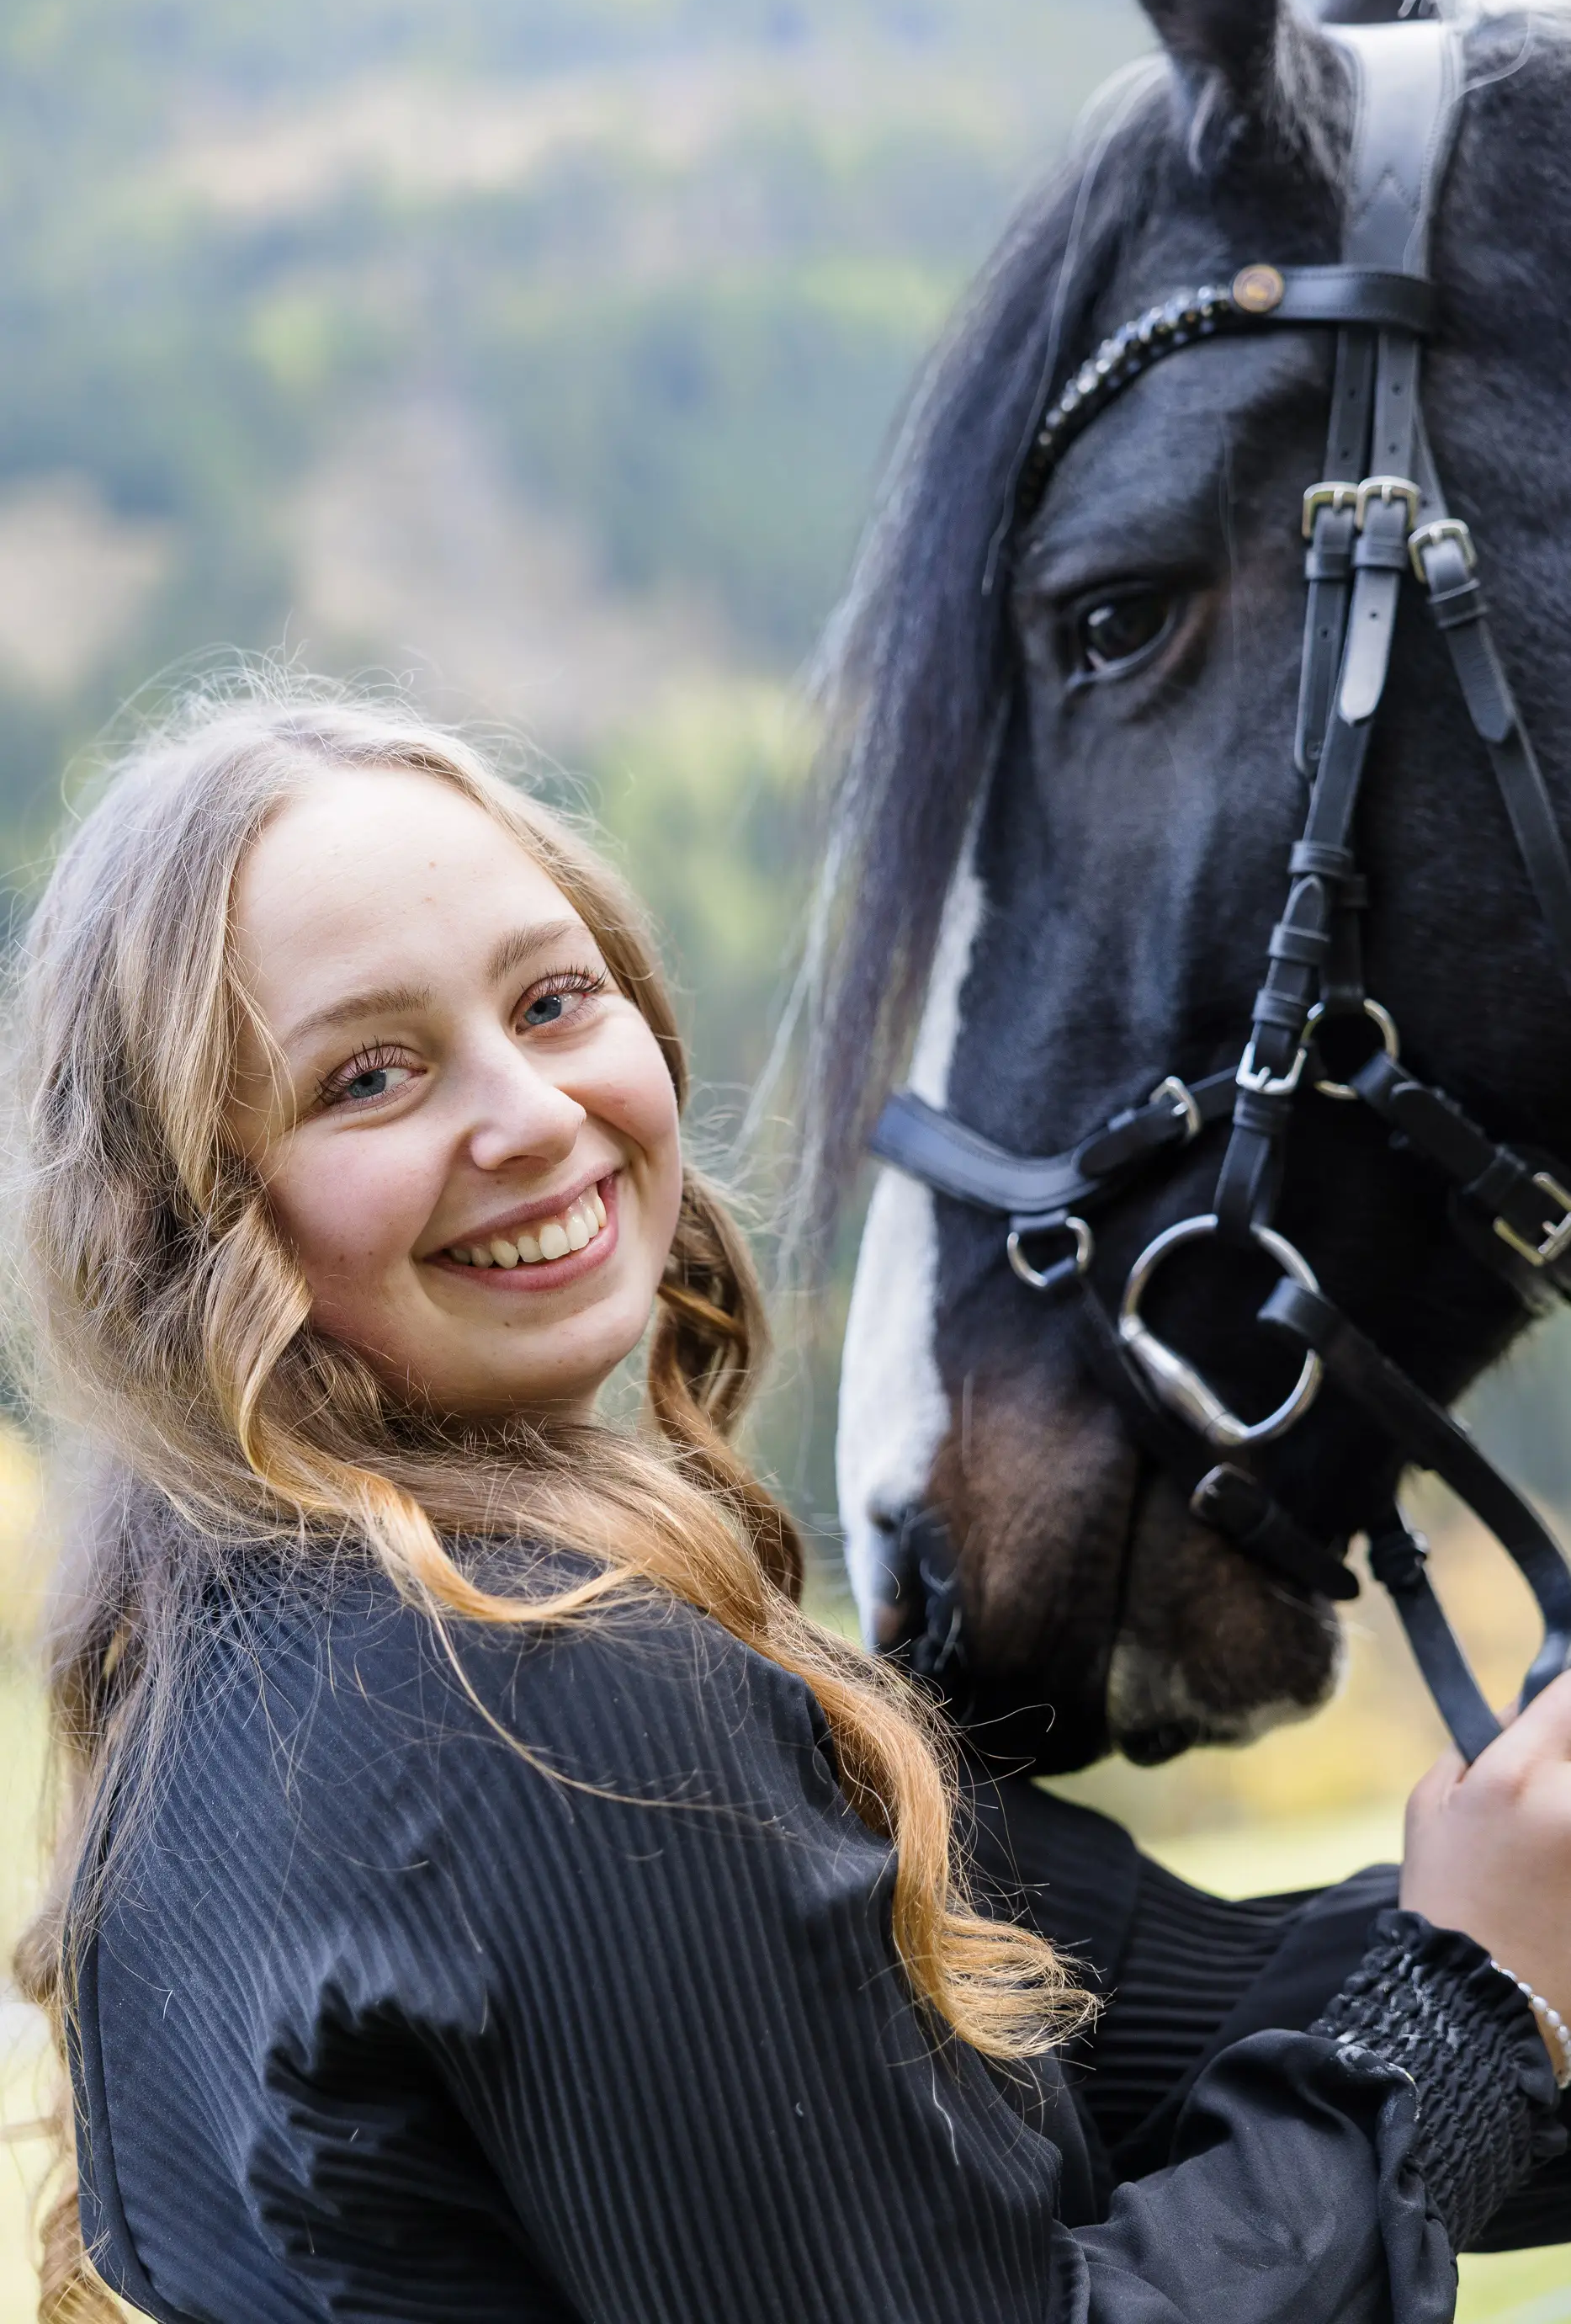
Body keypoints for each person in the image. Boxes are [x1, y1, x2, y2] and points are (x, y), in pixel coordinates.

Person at [11, 683, 1570, 2324]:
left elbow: (1203, 2011)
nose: (536, 1112)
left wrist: (1492, 1946)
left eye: (552, 1000)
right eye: (371, 1076)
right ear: (186, 1212)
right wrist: (1469, 2014)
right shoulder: (541, 1699)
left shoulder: (241, 1675)